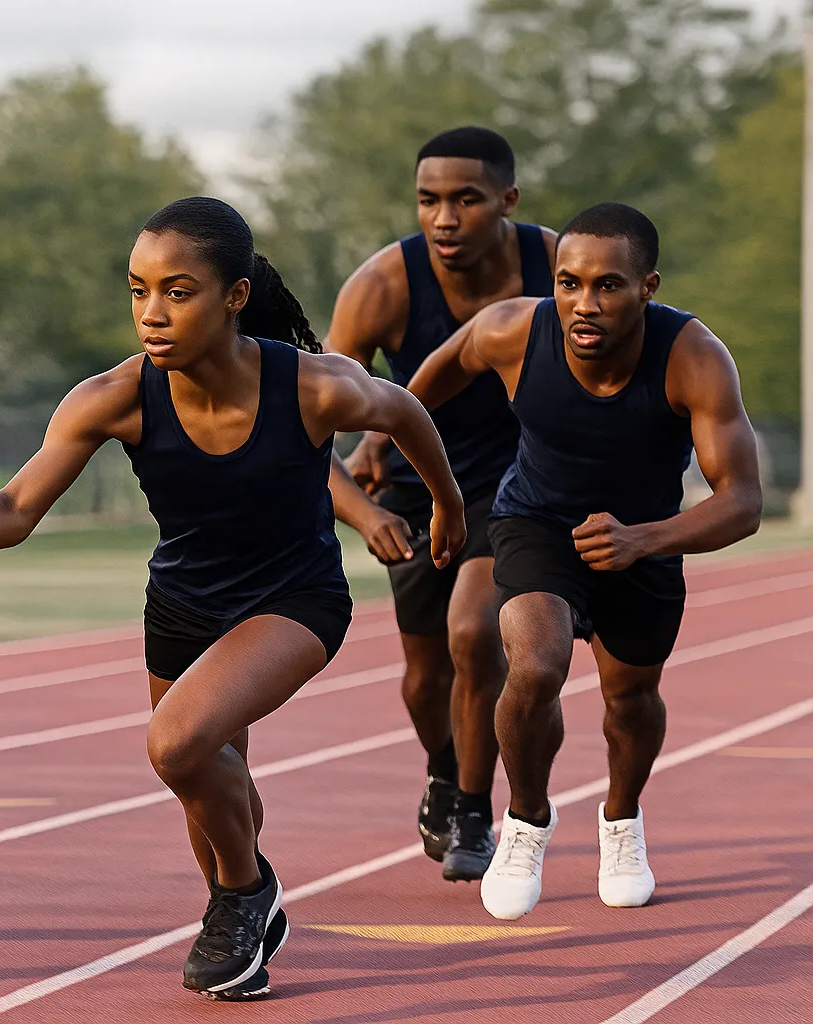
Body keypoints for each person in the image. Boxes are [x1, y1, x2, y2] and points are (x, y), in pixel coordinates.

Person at [0, 197, 464, 999]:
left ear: (235, 297)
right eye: (138, 290)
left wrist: (449, 506)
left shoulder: (315, 389)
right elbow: (11, 511)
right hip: (182, 608)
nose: (151, 313)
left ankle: (247, 894)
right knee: (210, 782)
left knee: (176, 744)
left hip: (293, 599)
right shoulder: (112, 397)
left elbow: (406, 412)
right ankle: (242, 928)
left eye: (177, 292)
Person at [405, 202, 761, 920]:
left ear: (646, 286)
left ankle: (621, 819)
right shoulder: (512, 330)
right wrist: (406, 460)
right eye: (569, 282)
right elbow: (418, 392)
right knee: (534, 666)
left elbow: (743, 502)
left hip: (646, 538)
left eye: (608, 285)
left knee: (629, 701)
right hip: (536, 522)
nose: (584, 303)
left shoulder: (693, 357)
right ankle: (527, 821)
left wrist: (646, 539)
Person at [326, 126, 555, 882]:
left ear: (507, 202)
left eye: (466, 199)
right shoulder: (382, 286)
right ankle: (443, 771)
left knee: (473, 633)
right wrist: (364, 504)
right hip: (415, 483)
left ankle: (472, 809)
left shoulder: (557, 265)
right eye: (428, 201)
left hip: (519, 481)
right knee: (425, 675)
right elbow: (302, 424)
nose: (445, 218)